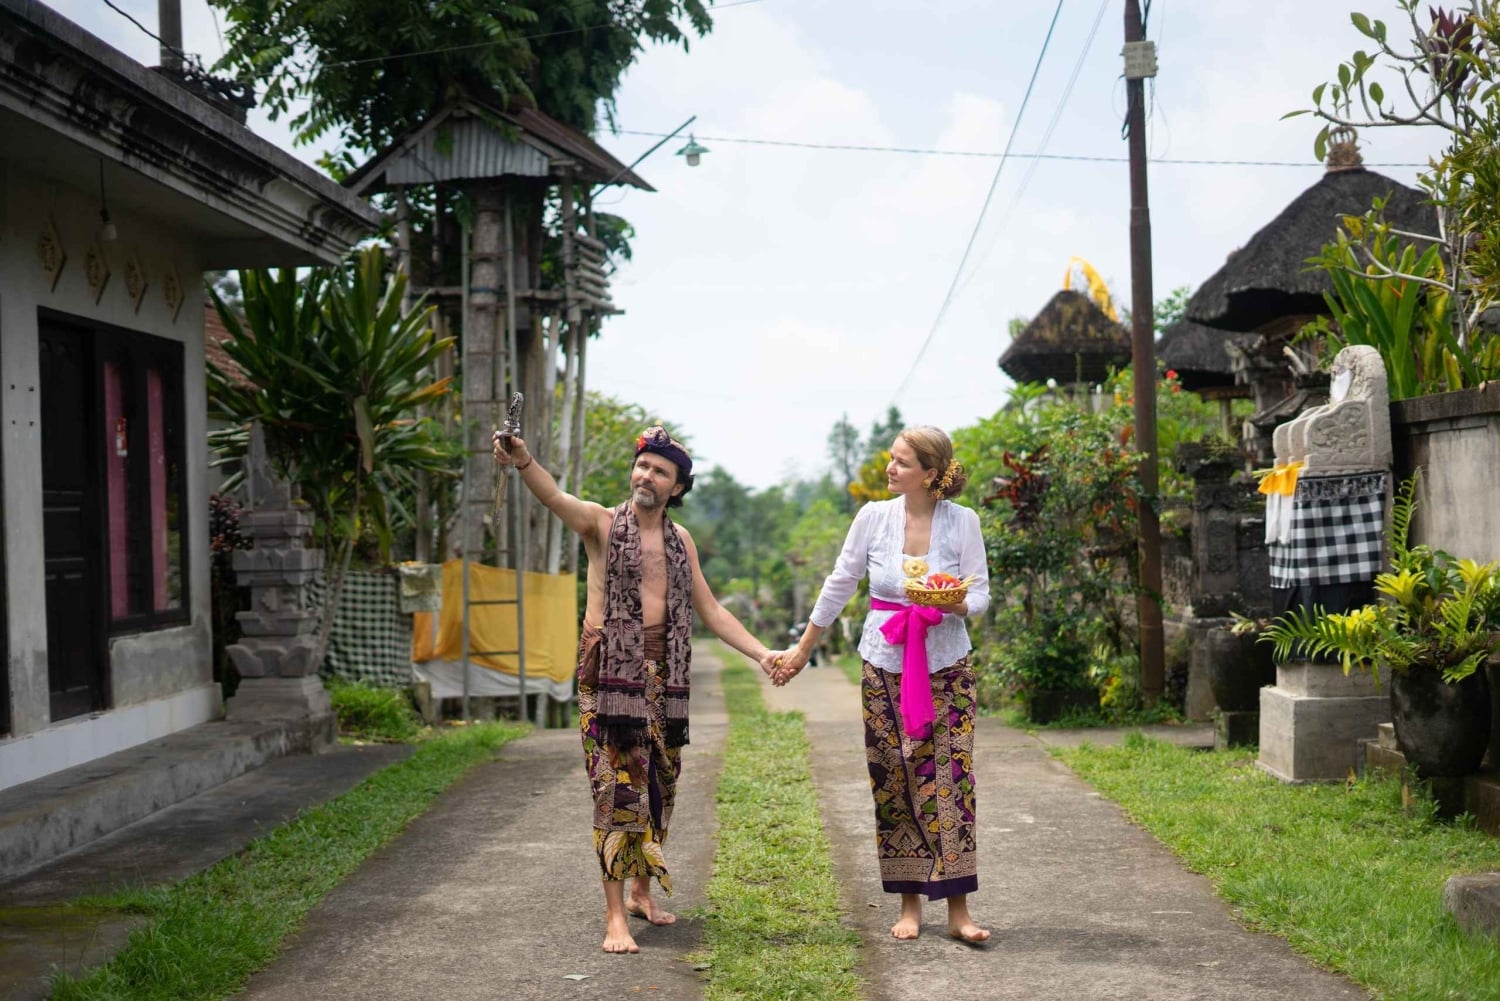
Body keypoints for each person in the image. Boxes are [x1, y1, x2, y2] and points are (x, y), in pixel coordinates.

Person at [493, 424, 777, 955]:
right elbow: (555, 496)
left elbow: (709, 610)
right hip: (607, 675)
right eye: (642, 464)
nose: (646, 475)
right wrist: (524, 460)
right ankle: (615, 916)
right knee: (616, 790)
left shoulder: (679, 541)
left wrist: (762, 654)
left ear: (677, 487)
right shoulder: (600, 523)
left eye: (660, 471)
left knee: (659, 787)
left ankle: (645, 890)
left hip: (663, 675)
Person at [772, 425, 991, 944]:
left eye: (902, 462)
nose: (890, 469)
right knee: (893, 776)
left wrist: (952, 601)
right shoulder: (872, 518)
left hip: (948, 665)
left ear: (930, 474)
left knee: (952, 782)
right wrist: (803, 649)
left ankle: (958, 909)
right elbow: (841, 581)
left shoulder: (964, 523)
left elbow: (979, 593)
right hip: (883, 664)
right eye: (890, 459)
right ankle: (910, 904)